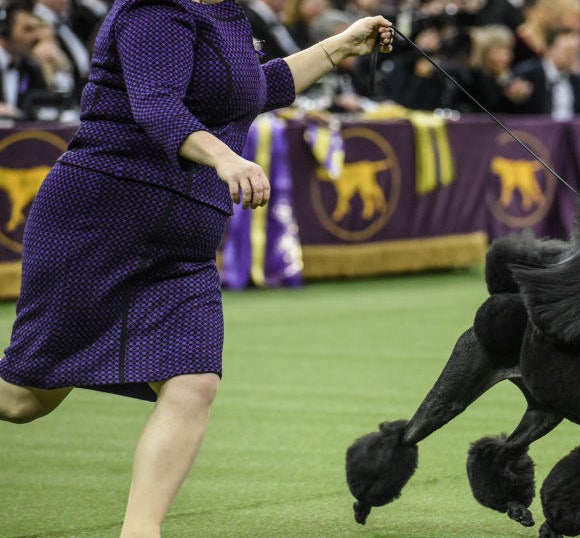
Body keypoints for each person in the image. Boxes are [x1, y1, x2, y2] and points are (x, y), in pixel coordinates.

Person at [0, 3, 393, 538]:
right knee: (24, 400)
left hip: (183, 246)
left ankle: (141, 532)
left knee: (194, 384)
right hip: (100, 222)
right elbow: (157, 106)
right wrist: (227, 160)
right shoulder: (153, 10)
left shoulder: (228, 16)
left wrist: (341, 46)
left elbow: (257, 87)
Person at [511, 28, 580, 118]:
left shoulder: (577, 81)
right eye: (569, 51)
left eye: (577, 52)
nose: (573, 56)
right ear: (550, 49)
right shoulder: (527, 74)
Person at [0, 1, 50, 120]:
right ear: (5, 32)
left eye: (36, 29)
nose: (37, 37)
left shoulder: (33, 70)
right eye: (28, 29)